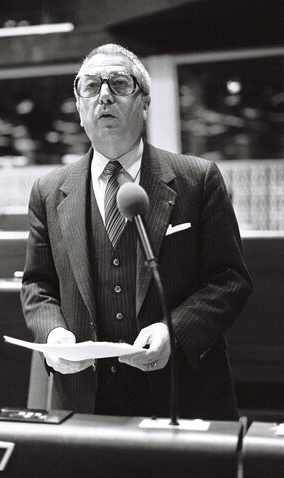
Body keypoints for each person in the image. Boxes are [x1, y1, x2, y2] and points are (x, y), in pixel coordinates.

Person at [21, 43, 252, 420]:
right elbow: (37, 285)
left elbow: (230, 279)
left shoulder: (198, 179)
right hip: (84, 397)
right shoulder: (48, 191)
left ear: (144, 103)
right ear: (80, 109)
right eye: (91, 86)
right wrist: (53, 336)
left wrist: (172, 332)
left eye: (119, 83)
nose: (105, 95)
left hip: (181, 390)